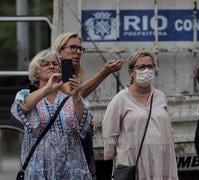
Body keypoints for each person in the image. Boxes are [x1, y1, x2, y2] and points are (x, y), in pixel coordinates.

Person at [51, 32, 123, 179]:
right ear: (59, 51)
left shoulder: (72, 75)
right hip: (63, 154)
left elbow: (77, 101)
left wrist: (87, 117)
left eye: (80, 49)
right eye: (72, 47)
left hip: (80, 150)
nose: (77, 52)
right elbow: (76, 93)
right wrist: (105, 71)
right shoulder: (54, 75)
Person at [11, 50, 92, 179]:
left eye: (55, 63)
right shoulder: (26, 95)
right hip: (39, 169)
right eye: (45, 64)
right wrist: (47, 89)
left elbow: (85, 123)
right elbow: (22, 107)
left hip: (71, 169)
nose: (51, 66)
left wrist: (76, 94)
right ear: (36, 72)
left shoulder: (71, 99)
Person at [102, 51, 179, 180]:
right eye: (142, 67)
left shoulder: (160, 96)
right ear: (131, 72)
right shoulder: (120, 99)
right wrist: (115, 156)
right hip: (133, 163)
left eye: (150, 66)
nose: (147, 70)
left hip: (161, 162)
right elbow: (110, 131)